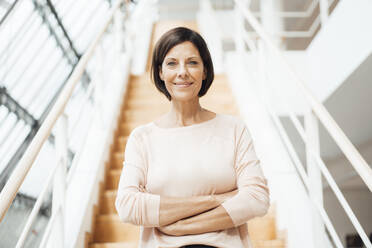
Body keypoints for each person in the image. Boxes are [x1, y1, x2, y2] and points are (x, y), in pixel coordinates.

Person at [115, 27, 270, 248]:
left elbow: (257, 199)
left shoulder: (234, 129)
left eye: (192, 62)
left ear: (205, 71)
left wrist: (180, 227)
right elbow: (128, 206)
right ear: (160, 72)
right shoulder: (142, 138)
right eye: (171, 63)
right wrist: (217, 199)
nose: (182, 72)